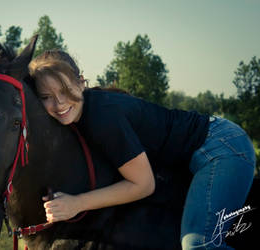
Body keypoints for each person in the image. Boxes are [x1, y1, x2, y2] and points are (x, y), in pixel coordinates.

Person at [28, 50, 255, 249]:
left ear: (81, 82)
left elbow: (144, 184)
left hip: (220, 146)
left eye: (65, 90)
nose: (59, 103)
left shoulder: (103, 117)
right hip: (191, 155)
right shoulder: (77, 117)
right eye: (47, 97)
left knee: (199, 244)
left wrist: (77, 203)